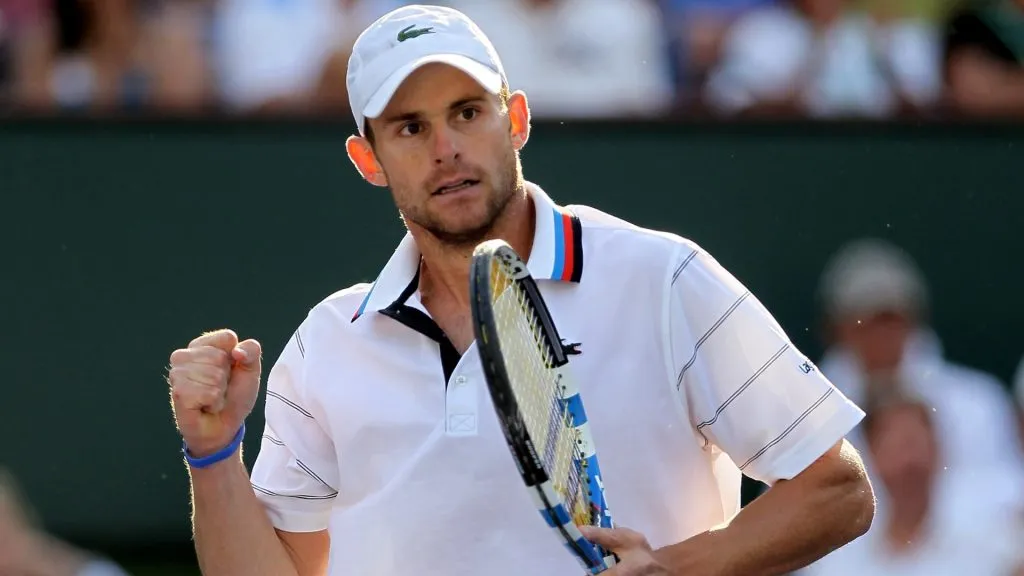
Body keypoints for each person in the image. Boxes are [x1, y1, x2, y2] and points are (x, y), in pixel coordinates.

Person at [165, 5, 875, 576]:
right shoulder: (326, 343)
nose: (446, 148)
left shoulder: (662, 278)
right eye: (411, 128)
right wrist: (214, 452)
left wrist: (676, 569)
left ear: (518, 119)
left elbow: (837, 489)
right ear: (368, 159)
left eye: (468, 112)